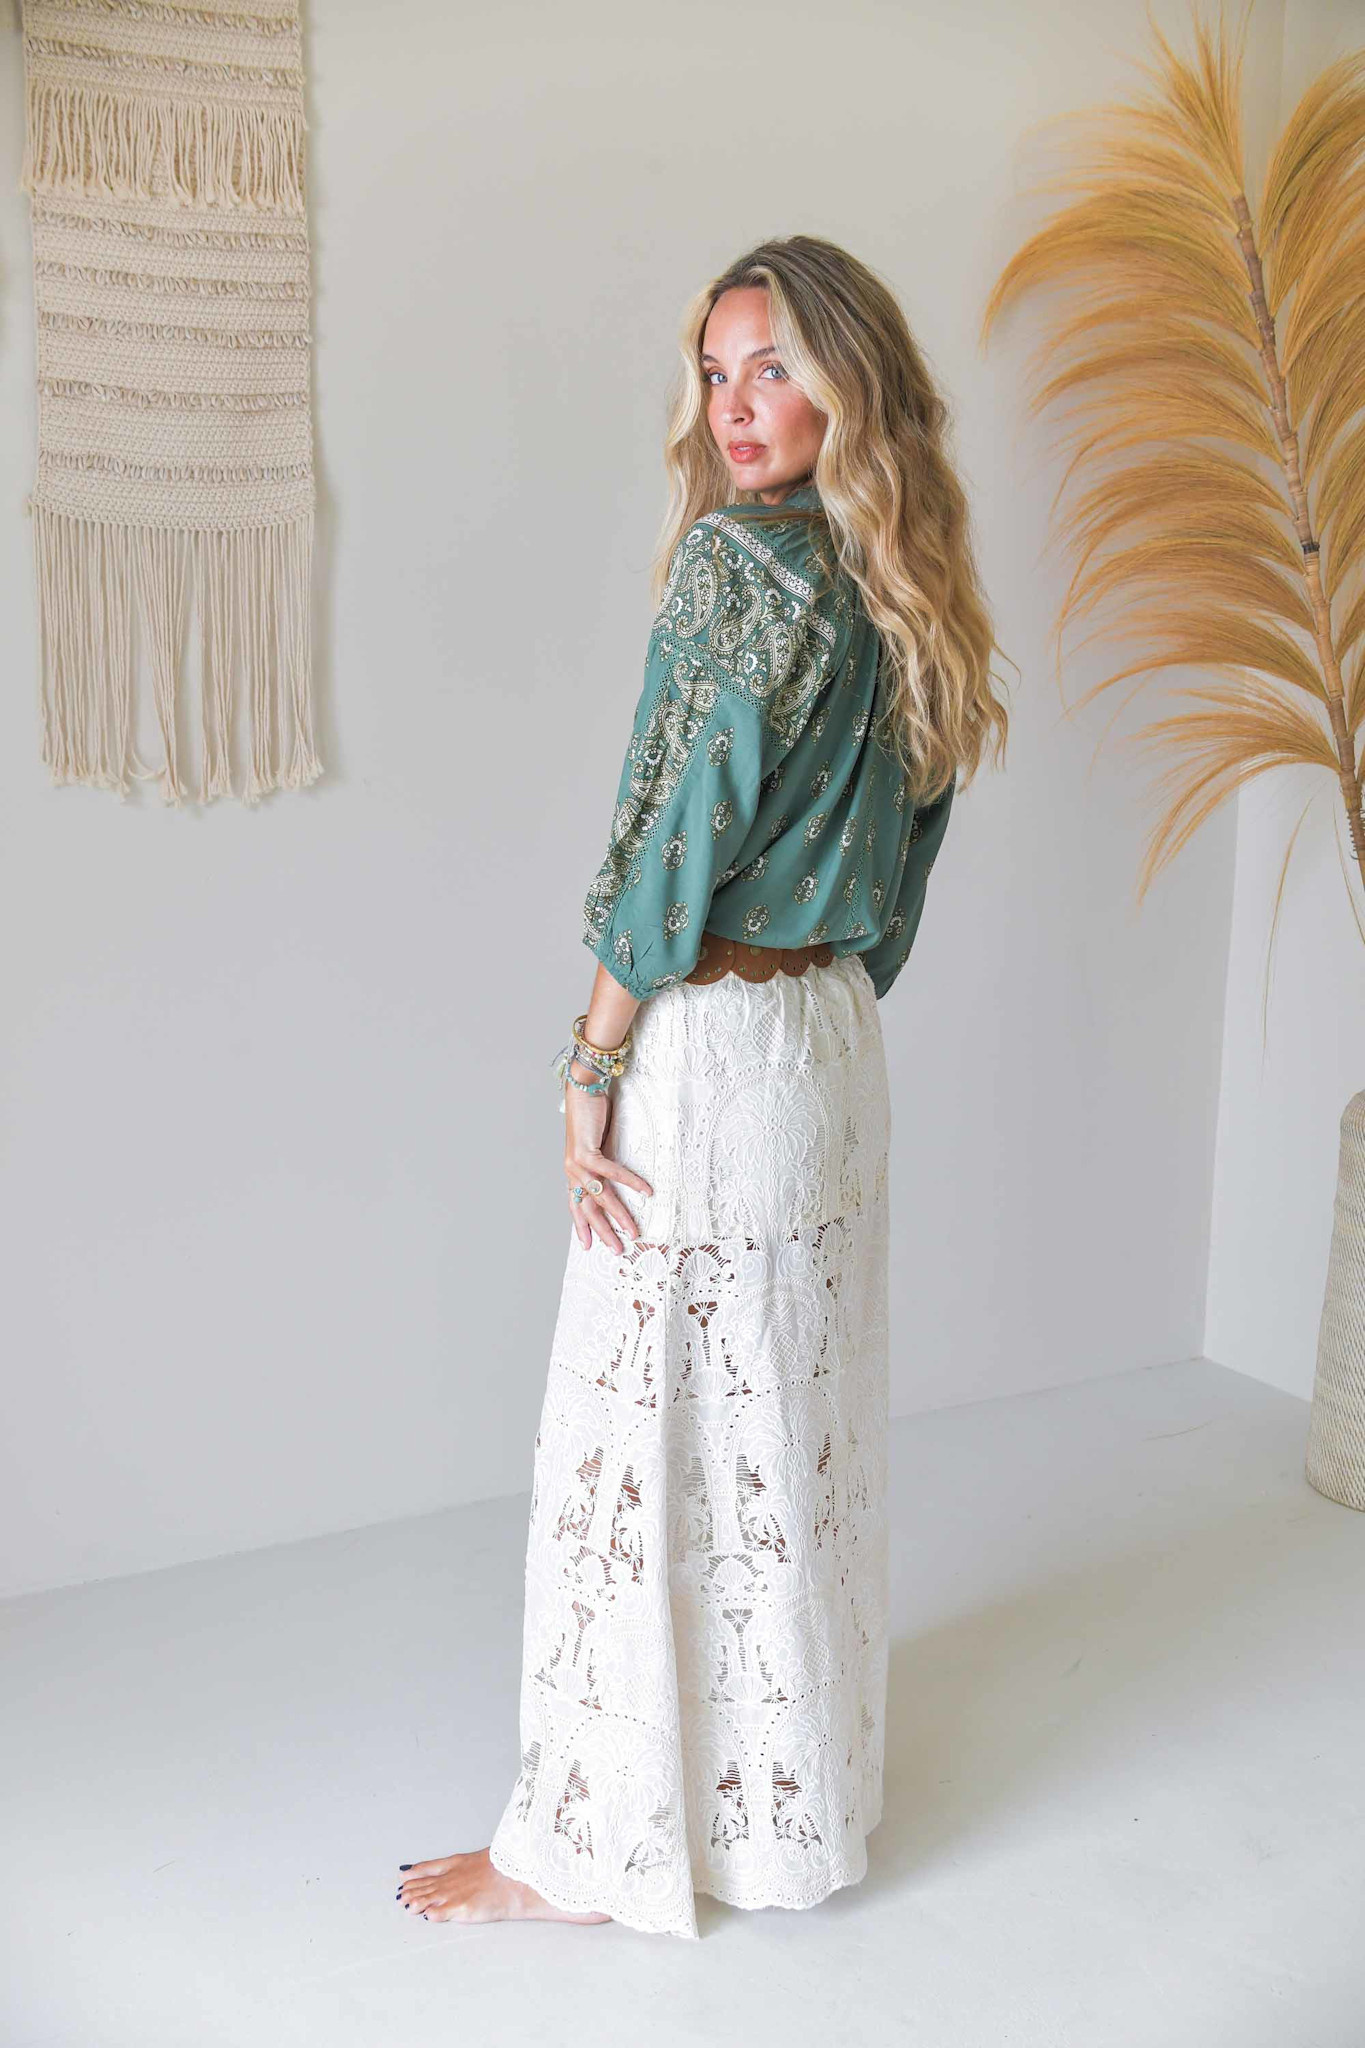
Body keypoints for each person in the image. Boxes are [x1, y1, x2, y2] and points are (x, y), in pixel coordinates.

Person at [395, 234, 1008, 1939]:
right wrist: (812, 996)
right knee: (783, 1434)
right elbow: (901, 874)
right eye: (718, 374)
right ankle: (783, 1817)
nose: (736, 408)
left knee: (643, 1437)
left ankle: (584, 1854)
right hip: (830, 1053)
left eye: (774, 369)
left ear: (847, 385)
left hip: (713, 1051)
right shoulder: (913, 587)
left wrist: (590, 1060)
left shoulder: (740, 569)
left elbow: (674, 838)